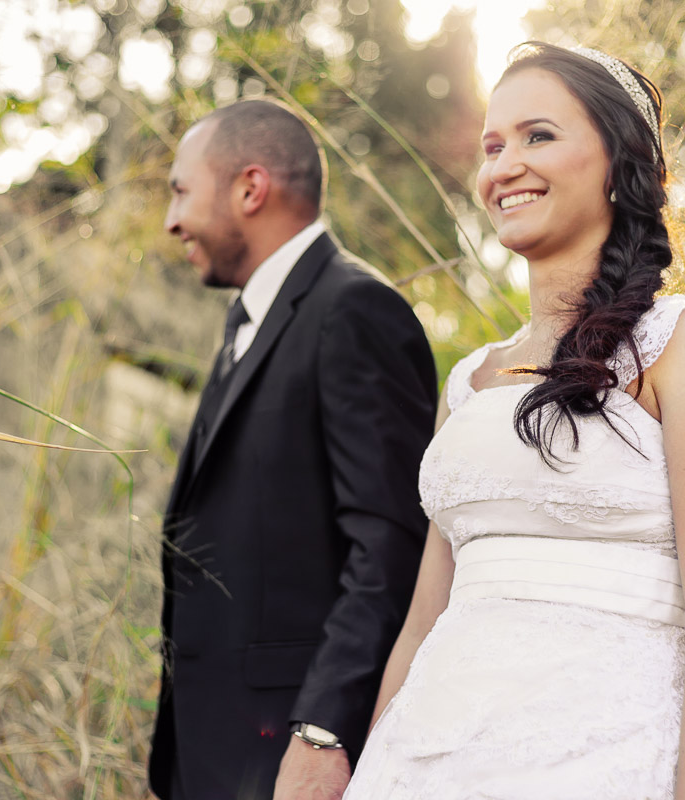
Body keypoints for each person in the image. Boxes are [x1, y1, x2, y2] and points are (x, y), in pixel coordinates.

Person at [342, 42, 685, 799]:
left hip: (605, 762)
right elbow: (423, 623)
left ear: (617, 160)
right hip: (427, 763)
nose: (503, 166)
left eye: (538, 136)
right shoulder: (468, 381)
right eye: (493, 146)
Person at [147, 99, 438, 800]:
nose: (171, 219)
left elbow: (390, 547)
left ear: (250, 188)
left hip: (290, 753)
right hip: (212, 753)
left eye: (181, 190)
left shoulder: (355, 310)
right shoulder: (248, 319)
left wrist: (324, 731)